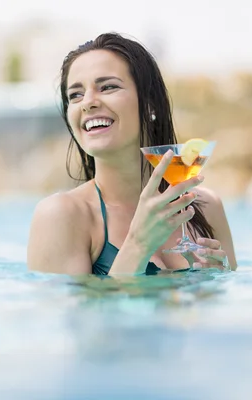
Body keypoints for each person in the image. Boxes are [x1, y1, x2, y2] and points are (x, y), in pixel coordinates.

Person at [27, 32, 237, 276]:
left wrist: (212, 283)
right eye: (75, 94)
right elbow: (76, 313)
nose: (88, 102)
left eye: (107, 87)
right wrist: (138, 243)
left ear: (149, 105)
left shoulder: (204, 208)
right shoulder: (62, 216)